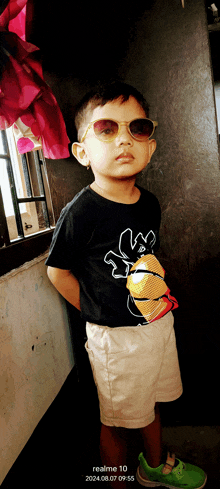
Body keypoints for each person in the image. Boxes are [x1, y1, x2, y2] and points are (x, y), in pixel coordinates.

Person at [45, 81, 207, 489]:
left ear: (150, 146)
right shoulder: (81, 211)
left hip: (155, 325)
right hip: (115, 338)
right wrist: (96, 309)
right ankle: (113, 482)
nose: (123, 139)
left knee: (148, 403)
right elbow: (57, 271)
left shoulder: (149, 203)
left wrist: (156, 294)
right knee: (115, 422)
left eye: (137, 128)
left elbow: (142, 259)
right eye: (106, 128)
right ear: (81, 152)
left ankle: (154, 466)